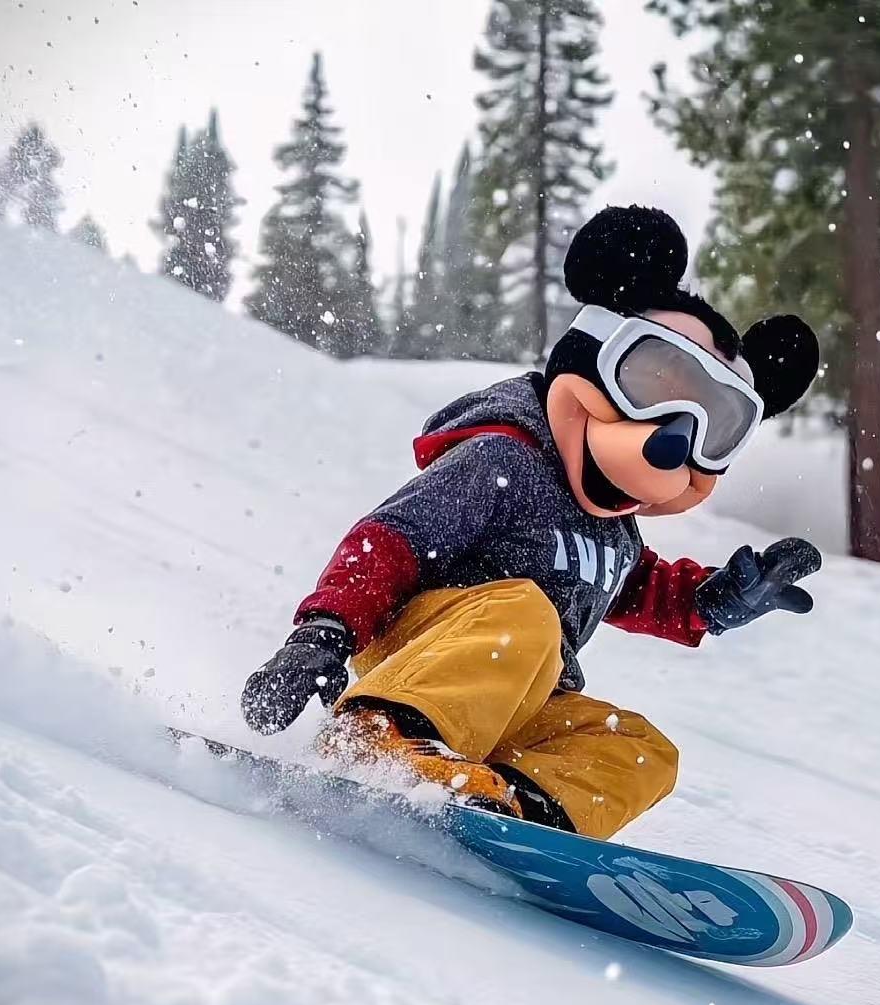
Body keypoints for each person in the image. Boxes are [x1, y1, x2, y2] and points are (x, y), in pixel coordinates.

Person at [241, 204, 822, 840]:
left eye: (718, 426)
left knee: (642, 749)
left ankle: (516, 803)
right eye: (651, 385)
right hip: (424, 654)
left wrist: (708, 602)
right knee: (524, 611)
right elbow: (389, 542)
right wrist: (322, 635)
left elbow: (632, 586)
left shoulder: (614, 528)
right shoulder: (507, 458)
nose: (674, 436)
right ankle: (379, 737)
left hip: (519, 698)